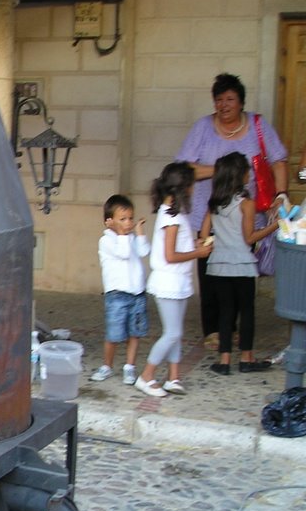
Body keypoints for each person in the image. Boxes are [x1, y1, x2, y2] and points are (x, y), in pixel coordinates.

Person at [175, 73, 288, 351]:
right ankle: (213, 329)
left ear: (241, 102)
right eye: (219, 100)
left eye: (230, 99)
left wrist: (281, 194)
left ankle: (233, 328)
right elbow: (184, 168)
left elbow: (279, 160)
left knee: (241, 271)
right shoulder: (203, 127)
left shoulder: (259, 126)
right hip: (208, 212)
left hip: (248, 213)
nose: (224, 105)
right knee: (210, 270)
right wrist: (224, 172)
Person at [136, 162, 214, 397]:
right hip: (168, 282)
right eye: (192, 184)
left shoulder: (174, 213)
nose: (194, 189)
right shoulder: (171, 216)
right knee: (172, 333)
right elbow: (170, 255)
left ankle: (173, 376)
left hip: (178, 282)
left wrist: (194, 245)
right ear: (184, 187)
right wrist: (198, 253)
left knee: (176, 331)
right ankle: (147, 376)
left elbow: (175, 247)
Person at [200, 152, 279, 375]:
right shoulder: (246, 204)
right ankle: (246, 358)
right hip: (242, 264)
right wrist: (275, 225)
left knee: (226, 313)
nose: (249, 174)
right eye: (247, 170)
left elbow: (205, 234)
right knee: (247, 311)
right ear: (239, 175)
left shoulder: (214, 204)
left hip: (218, 265)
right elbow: (249, 238)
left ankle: (224, 361)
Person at [90, 194, 150, 386]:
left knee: (135, 333)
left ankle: (129, 367)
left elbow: (143, 252)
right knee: (114, 334)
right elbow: (123, 254)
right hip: (117, 295)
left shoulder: (130, 238)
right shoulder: (106, 241)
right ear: (109, 221)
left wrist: (139, 233)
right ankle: (107, 365)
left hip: (137, 293)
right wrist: (123, 234)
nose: (128, 223)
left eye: (130, 218)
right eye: (122, 219)